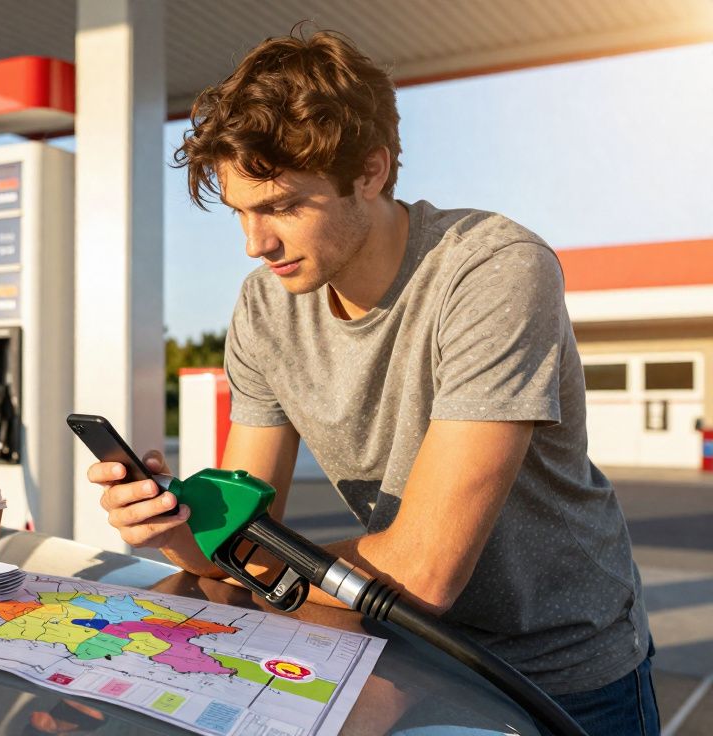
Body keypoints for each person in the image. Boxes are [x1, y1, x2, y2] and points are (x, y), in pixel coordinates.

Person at [87, 30, 658, 735]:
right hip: (403, 647)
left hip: (559, 667)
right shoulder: (265, 306)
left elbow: (423, 571)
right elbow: (236, 533)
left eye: (283, 206)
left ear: (372, 171)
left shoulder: (491, 270)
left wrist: (245, 562)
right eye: (241, 209)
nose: (254, 243)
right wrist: (175, 532)